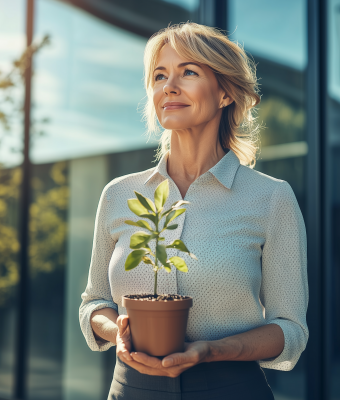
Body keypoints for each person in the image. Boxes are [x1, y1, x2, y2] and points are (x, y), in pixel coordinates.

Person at [79, 22, 308, 400]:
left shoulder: (271, 198)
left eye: (188, 72)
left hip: (229, 389)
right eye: (159, 75)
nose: (169, 85)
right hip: (131, 390)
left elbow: (290, 329)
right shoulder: (119, 194)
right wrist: (117, 331)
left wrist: (212, 351)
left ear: (224, 94)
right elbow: (94, 304)